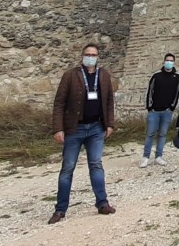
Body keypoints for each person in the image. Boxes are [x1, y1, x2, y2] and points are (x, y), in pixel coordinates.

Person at [48, 43, 117, 224]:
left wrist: (109, 124)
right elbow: (59, 103)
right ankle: (60, 209)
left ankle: (102, 203)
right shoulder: (70, 75)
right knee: (67, 168)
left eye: (93, 54)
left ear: (98, 57)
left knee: (96, 164)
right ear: (82, 56)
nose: (90, 57)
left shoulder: (104, 76)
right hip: (74, 129)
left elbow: (109, 101)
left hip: (96, 128)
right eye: (87, 54)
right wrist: (58, 128)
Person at [141, 52, 179, 168]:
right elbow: (150, 91)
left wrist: (172, 107)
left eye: (171, 61)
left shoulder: (177, 77)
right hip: (154, 111)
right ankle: (145, 157)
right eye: (167, 60)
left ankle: (159, 156)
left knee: (163, 134)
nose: (169, 63)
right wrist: (150, 107)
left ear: (174, 63)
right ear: (164, 61)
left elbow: (178, 93)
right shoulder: (156, 76)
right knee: (150, 134)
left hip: (167, 111)